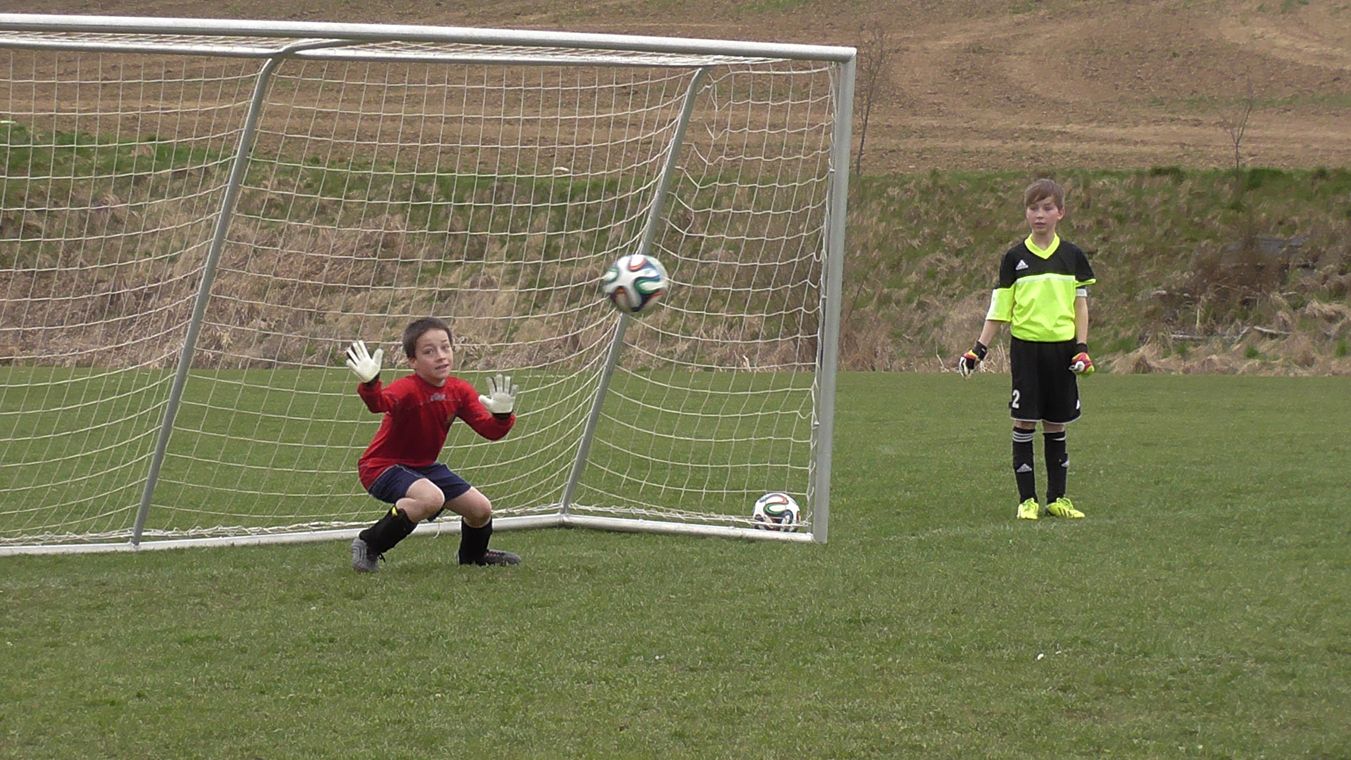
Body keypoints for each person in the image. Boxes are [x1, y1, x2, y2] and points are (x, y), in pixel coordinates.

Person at [957, 178, 1097, 521]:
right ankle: (1027, 501)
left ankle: (1057, 499)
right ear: (1026, 213)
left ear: (1060, 213)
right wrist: (978, 350)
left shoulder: (1073, 256)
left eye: (1047, 208)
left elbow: (1080, 307)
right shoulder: (1014, 258)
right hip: (1027, 351)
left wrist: (1081, 348)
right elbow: (999, 310)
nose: (1040, 215)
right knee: (1024, 420)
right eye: (1034, 208)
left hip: (1062, 352)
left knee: (1056, 423)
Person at [345, 317, 521, 571]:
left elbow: (489, 430)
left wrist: (502, 417)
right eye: (429, 351)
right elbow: (378, 404)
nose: (440, 356)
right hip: (381, 467)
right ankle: (369, 543)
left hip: (424, 468)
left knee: (481, 509)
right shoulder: (407, 388)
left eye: (445, 347)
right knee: (431, 498)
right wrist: (371, 384)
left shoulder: (459, 390)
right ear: (412, 361)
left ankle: (473, 555)